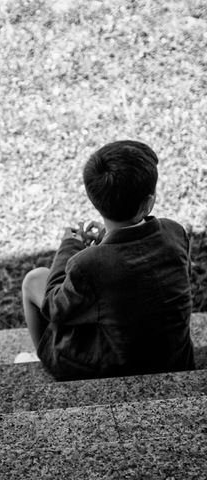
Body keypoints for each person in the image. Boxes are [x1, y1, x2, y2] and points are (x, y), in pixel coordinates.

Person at [20, 140, 194, 380]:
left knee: (33, 280)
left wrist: (69, 245)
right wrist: (109, 238)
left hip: (120, 368)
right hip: (175, 359)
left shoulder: (88, 264)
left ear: (95, 200)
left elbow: (53, 307)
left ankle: (46, 357)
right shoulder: (175, 233)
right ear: (148, 203)